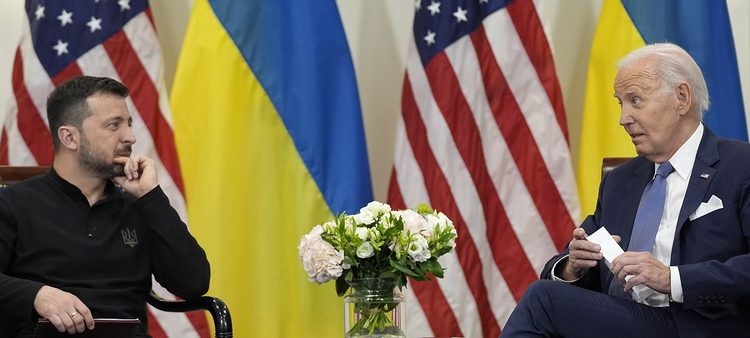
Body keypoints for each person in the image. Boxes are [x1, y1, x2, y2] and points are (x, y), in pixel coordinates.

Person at [502, 43, 750, 338]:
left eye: (635, 100)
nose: (623, 119)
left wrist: (671, 279)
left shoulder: (740, 164)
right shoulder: (620, 181)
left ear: (681, 98)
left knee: (544, 300)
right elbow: (575, 257)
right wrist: (573, 266)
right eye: (621, 103)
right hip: (628, 321)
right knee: (545, 296)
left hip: (705, 325)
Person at [0, 76, 210, 337]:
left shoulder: (141, 206)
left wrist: (151, 198)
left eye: (129, 124)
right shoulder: (14, 203)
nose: (131, 137)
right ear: (69, 137)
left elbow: (193, 283)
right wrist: (36, 295)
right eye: (114, 125)